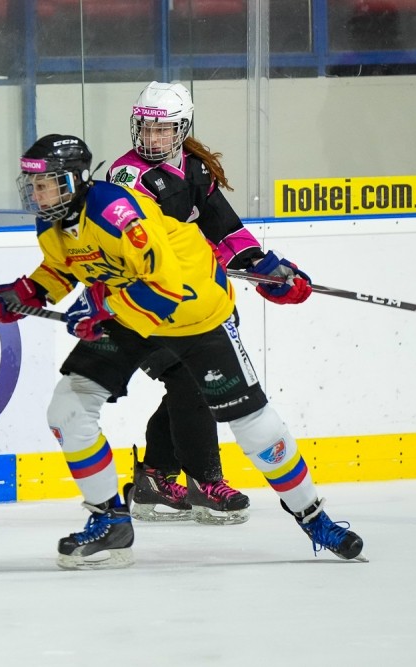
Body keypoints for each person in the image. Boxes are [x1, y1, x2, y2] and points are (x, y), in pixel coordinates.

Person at [0, 133, 364, 570]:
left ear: (75, 180)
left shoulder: (115, 212)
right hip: (130, 312)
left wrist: (101, 306)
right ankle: (110, 521)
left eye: (46, 184)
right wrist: (24, 293)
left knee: (254, 425)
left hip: (194, 311)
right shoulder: (53, 221)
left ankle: (314, 517)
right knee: (68, 410)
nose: (37, 193)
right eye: (32, 185)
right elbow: (64, 267)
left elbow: (166, 286)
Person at [107, 81, 313, 525]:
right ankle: (203, 481)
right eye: (145, 128)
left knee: (189, 382)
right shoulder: (127, 178)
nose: (152, 137)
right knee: (193, 379)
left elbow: (226, 229)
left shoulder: (194, 168)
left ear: (182, 129)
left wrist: (267, 269)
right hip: (146, 305)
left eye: (162, 129)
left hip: (196, 300)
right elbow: (145, 244)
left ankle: (156, 476)